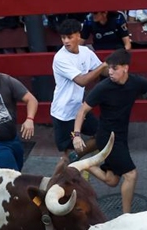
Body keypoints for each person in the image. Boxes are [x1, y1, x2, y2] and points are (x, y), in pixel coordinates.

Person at [72, 49, 147, 214]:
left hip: (121, 137)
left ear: (125, 68)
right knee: (131, 175)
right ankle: (127, 216)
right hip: (108, 139)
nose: (110, 72)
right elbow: (82, 111)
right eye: (109, 68)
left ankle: (86, 165)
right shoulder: (102, 88)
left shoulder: (136, 82)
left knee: (112, 180)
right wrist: (77, 135)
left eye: (114, 68)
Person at [51, 19, 106, 165]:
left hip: (79, 109)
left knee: (102, 135)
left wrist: (116, 67)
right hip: (63, 113)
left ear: (78, 35)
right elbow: (82, 80)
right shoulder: (60, 58)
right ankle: (62, 180)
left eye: (69, 37)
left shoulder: (86, 52)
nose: (66, 41)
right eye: (63, 38)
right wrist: (105, 64)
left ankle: (77, 157)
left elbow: (104, 70)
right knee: (66, 156)